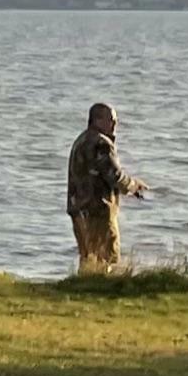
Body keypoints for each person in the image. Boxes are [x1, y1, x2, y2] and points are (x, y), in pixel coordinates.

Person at [66, 102, 144, 273]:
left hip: (78, 209)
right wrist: (133, 186)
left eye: (115, 120)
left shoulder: (80, 140)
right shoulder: (102, 143)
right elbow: (114, 176)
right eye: (111, 120)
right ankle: (101, 291)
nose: (115, 125)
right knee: (107, 259)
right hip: (98, 211)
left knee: (88, 258)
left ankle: (83, 289)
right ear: (96, 120)